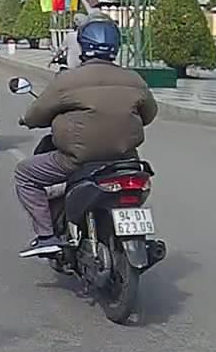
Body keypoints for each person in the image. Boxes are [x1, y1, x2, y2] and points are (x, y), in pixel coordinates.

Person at [14, 16, 157, 257]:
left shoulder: (67, 80)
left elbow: (36, 114)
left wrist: (27, 121)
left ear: (82, 45)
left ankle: (46, 237)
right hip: (125, 161)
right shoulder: (134, 79)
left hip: (77, 160)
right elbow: (149, 114)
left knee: (25, 173)